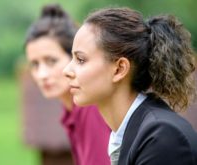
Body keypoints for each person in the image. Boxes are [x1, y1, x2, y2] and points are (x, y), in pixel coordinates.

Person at [64, 7, 197, 165]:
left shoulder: (161, 137)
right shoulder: (131, 133)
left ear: (119, 69)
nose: (67, 71)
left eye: (80, 60)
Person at [25, 4, 111, 165]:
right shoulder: (71, 109)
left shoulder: (89, 108)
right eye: (35, 64)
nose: (42, 75)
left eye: (51, 61)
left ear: (75, 58)